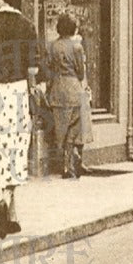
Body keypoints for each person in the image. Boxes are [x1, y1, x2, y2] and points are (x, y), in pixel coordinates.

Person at [0, 0, 40, 238]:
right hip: (17, 91)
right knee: (16, 150)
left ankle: (12, 217)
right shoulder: (27, 26)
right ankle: (6, 202)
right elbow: (32, 70)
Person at [45, 14, 87, 180]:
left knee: (60, 128)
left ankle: (64, 164)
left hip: (57, 88)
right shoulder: (77, 47)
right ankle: (69, 163)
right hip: (73, 88)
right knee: (74, 125)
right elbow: (81, 73)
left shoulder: (52, 46)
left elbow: (48, 67)